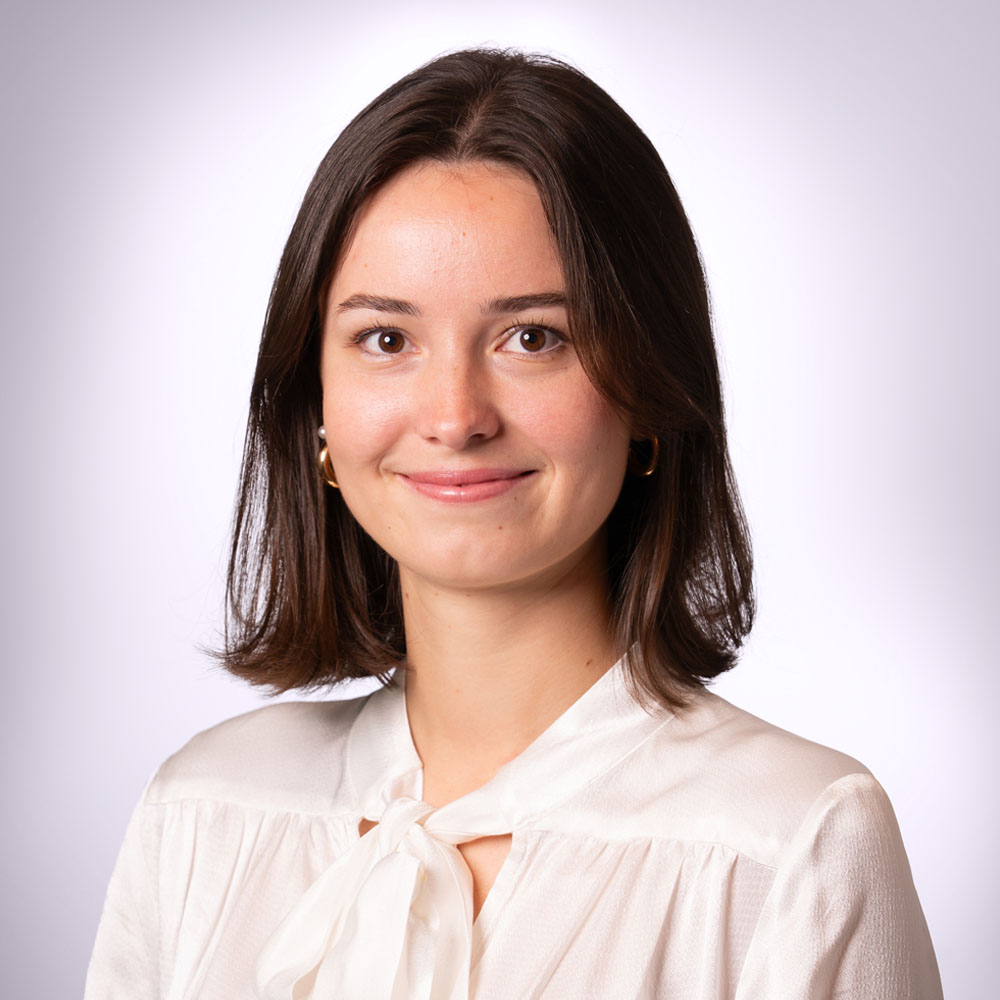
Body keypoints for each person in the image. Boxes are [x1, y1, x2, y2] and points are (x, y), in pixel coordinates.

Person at [85, 48, 942, 999]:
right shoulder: (203, 812)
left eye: (533, 337)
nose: (456, 417)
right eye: (386, 339)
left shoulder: (789, 846)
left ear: (647, 393)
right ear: (314, 409)